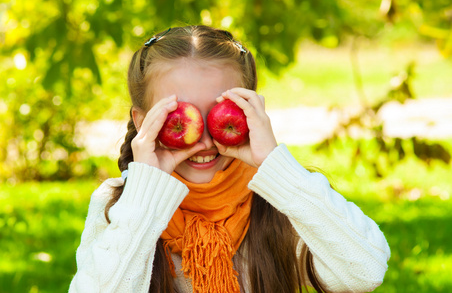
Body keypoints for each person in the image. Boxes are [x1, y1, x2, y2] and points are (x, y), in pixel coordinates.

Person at [69, 25, 390, 293]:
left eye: (221, 115)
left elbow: (365, 272)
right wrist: (145, 196)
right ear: (142, 122)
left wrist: (277, 167)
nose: (205, 139)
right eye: (181, 116)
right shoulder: (120, 204)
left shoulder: (278, 199)